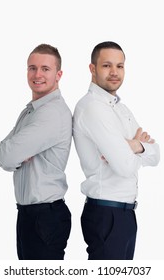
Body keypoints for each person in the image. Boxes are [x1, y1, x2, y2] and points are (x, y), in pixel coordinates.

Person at [73, 41, 160, 260]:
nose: (114, 72)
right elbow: (124, 166)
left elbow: (157, 154)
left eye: (120, 66)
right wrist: (137, 151)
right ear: (92, 69)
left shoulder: (121, 108)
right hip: (106, 214)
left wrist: (134, 145)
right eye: (107, 66)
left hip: (124, 215)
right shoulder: (92, 107)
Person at [0, 44, 72, 260]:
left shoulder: (52, 114)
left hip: (44, 218)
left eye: (45, 69)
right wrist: (15, 157)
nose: (37, 75)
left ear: (59, 75)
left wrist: (13, 157)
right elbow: (2, 152)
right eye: (32, 68)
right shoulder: (31, 111)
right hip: (31, 215)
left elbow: (6, 155)